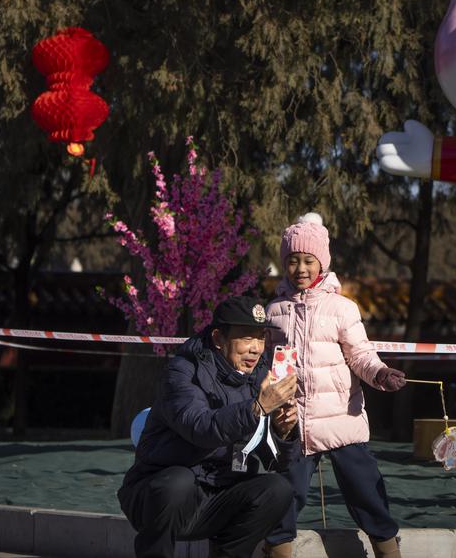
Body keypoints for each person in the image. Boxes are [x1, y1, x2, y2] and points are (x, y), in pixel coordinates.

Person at [262, 213, 407, 558]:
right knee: (285, 493)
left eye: (308, 260)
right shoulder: (273, 311)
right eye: (293, 260)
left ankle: (388, 550)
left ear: (322, 263)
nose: (300, 268)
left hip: (343, 418)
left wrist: (380, 373)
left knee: (366, 491)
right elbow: (266, 364)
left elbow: (361, 355)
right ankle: (278, 551)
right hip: (292, 421)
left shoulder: (342, 308)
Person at [118, 296, 300, 558]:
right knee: (178, 482)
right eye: (246, 338)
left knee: (277, 489)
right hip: (158, 495)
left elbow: (278, 463)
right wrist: (257, 408)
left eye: (260, 338)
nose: (256, 348)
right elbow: (201, 428)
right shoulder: (181, 372)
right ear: (218, 338)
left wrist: (284, 432)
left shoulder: (260, 376)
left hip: (221, 492)